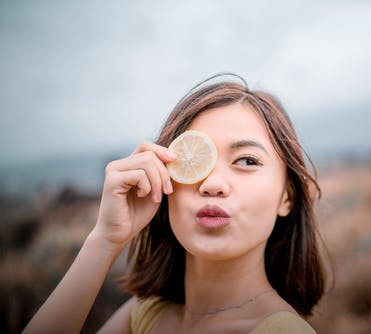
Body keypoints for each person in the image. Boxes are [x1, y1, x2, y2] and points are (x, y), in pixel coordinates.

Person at [23, 74, 328, 333]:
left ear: (286, 196)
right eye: (191, 159)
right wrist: (105, 239)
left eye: (247, 160)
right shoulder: (145, 314)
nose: (212, 184)